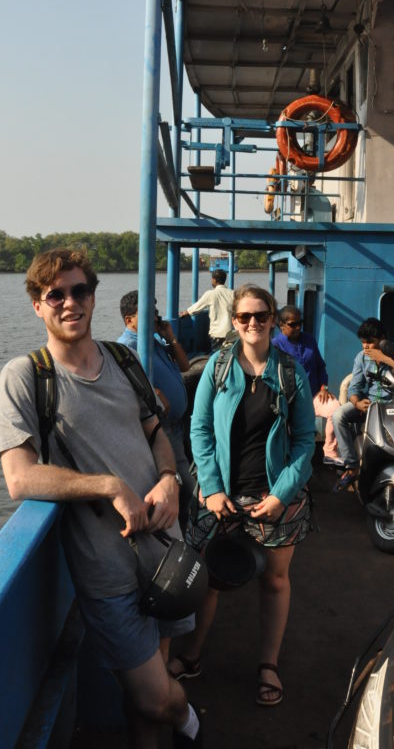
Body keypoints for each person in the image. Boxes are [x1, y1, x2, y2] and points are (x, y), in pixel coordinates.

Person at [0, 248, 202, 748]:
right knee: (159, 698)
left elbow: (156, 430)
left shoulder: (124, 359)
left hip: (167, 551)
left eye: (79, 290)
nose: (70, 302)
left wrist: (170, 478)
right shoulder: (25, 378)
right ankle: (195, 725)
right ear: (37, 306)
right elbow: (19, 480)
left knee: (147, 695)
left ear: (93, 296)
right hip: (106, 571)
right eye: (55, 295)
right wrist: (108, 484)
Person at [168, 284, 315, 708]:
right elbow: (199, 432)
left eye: (261, 316)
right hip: (222, 498)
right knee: (210, 578)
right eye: (245, 317)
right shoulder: (218, 366)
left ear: (272, 319)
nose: (253, 323)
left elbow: (306, 440)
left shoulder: (290, 372)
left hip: (275, 496)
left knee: (274, 579)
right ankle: (192, 655)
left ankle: (268, 664)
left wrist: (282, 493)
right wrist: (211, 489)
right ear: (234, 322)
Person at [118, 290, 195, 530]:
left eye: (155, 311)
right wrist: (154, 391)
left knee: (185, 479)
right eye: (147, 313)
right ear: (129, 320)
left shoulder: (156, 341)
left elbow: (184, 366)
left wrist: (170, 337)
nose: (154, 316)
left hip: (178, 423)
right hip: (161, 429)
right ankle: (186, 532)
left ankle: (189, 529)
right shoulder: (125, 349)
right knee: (183, 483)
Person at [331, 318, 394, 488]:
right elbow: (353, 388)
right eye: (363, 343)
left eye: (370, 343)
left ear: (383, 339)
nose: (366, 347)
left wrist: (385, 358)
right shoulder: (361, 358)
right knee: (338, 415)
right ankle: (351, 465)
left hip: (393, 405)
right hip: (370, 404)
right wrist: (356, 403)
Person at [271, 305, 342, 465]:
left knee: (336, 410)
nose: (297, 327)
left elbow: (320, 366)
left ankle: (330, 452)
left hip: (314, 395)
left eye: (300, 323)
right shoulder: (275, 345)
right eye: (292, 324)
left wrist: (324, 387)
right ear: (281, 325)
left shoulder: (309, 340)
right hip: (290, 399)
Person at [180, 268, 233, 350]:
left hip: (217, 333)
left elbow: (196, 307)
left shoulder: (211, 294)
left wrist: (185, 313)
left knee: (217, 356)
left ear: (214, 280)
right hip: (230, 332)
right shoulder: (232, 293)